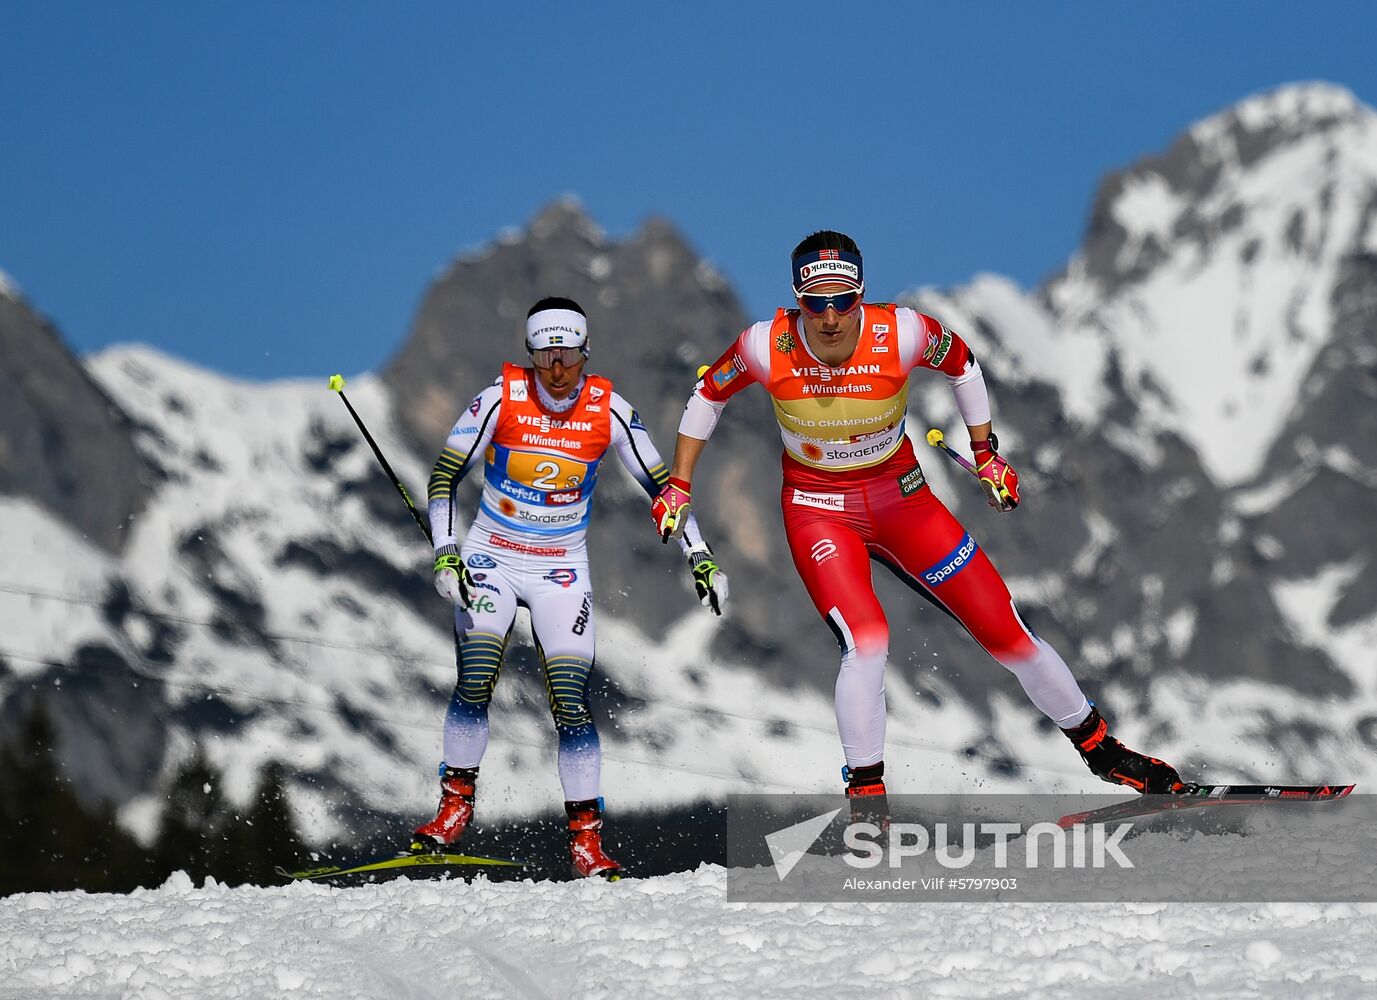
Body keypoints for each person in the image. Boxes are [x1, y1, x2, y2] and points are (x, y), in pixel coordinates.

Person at [651, 231, 1183, 809]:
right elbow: (708, 394)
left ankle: (1103, 751)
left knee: (1007, 633)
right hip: (818, 510)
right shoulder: (765, 344)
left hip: (901, 500)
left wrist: (986, 454)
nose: (829, 318)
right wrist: (678, 481)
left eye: (843, 300)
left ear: (862, 295)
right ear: (796, 299)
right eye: (814, 302)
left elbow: (965, 366)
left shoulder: (901, 332)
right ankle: (868, 804)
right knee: (868, 643)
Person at [415, 296, 729, 878]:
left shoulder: (608, 410)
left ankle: (586, 841)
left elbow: (665, 487)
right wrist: (446, 552)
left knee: (569, 700)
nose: (557, 371)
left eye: (568, 356)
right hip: (493, 559)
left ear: (587, 352)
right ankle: (455, 806)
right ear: (530, 354)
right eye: (544, 356)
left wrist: (701, 555)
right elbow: (445, 473)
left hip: (561, 570)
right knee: (478, 672)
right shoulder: (499, 399)